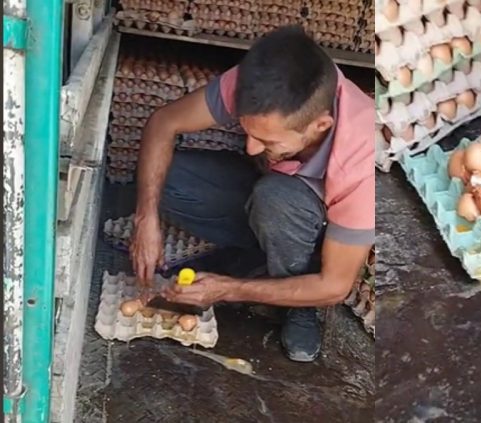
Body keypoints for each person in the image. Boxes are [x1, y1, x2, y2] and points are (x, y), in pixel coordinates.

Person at [129, 25, 375, 362]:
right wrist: (147, 218)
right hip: (268, 193)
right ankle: (263, 260)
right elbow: (163, 123)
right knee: (168, 179)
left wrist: (228, 289)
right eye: (246, 131)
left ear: (320, 126)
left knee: (276, 199)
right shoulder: (258, 86)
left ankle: (298, 300)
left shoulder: (361, 155)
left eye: (268, 141)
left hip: (314, 227)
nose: (250, 147)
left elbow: (336, 285)